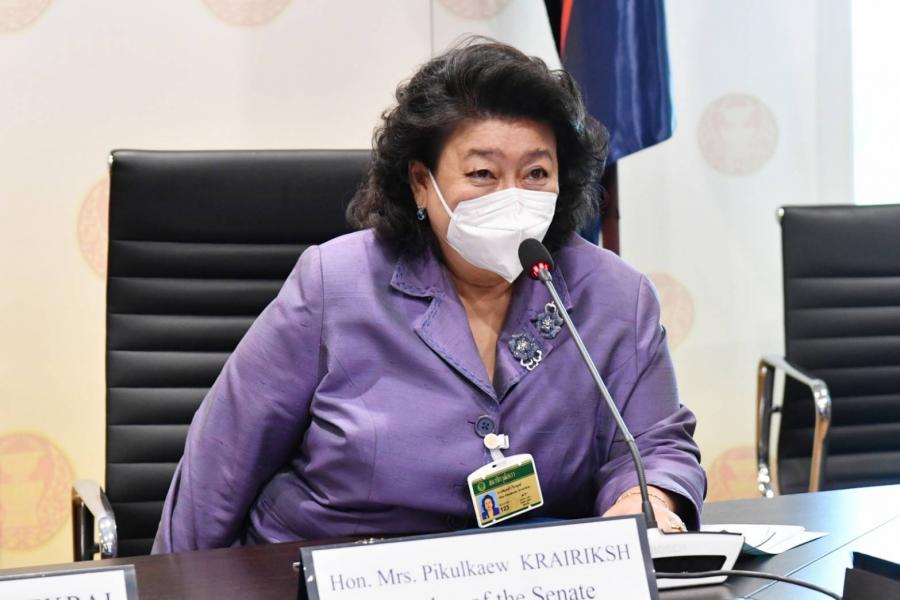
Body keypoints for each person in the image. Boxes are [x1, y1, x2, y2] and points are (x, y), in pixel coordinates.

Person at [152, 40, 703, 553]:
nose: (513, 196)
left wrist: (648, 501)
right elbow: (221, 463)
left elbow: (656, 446)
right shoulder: (334, 283)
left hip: (525, 575)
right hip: (336, 571)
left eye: (536, 172)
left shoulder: (614, 295)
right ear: (421, 182)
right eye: (482, 173)